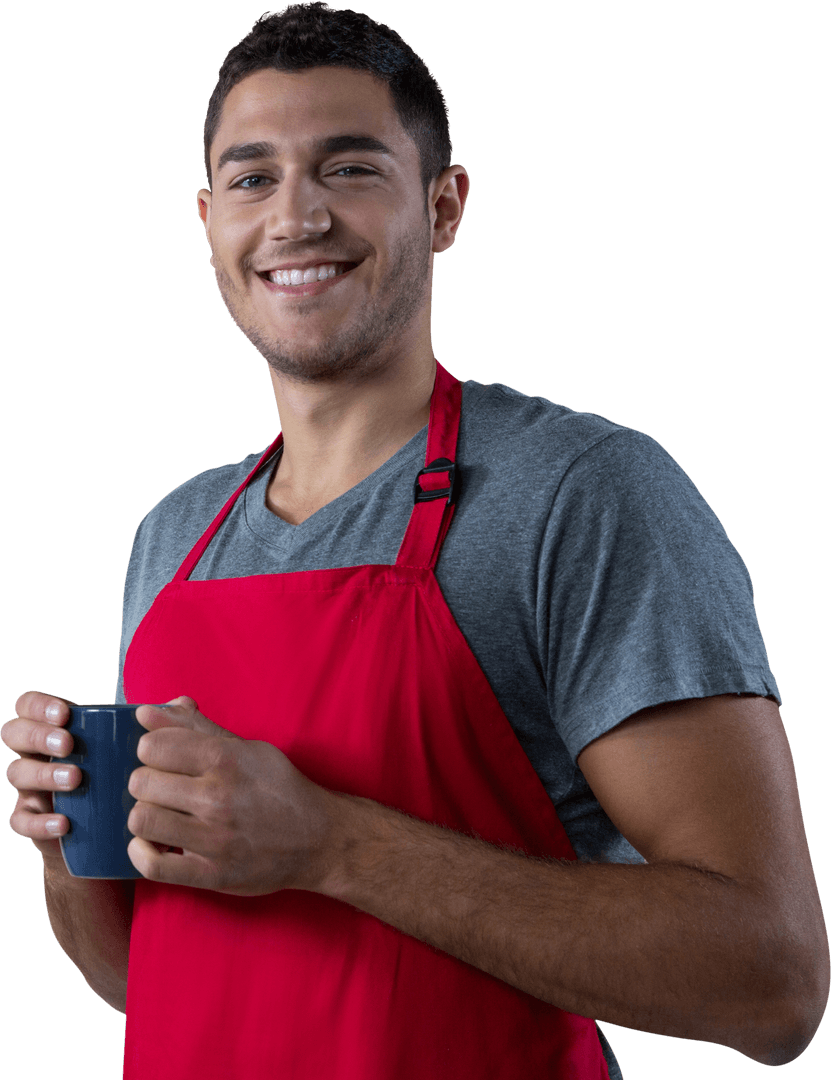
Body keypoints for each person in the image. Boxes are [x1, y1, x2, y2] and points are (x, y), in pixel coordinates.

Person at [4, 3, 828, 1077]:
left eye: (347, 169)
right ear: (209, 223)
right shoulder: (174, 537)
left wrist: (332, 844)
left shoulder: (579, 493)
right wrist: (68, 849)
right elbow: (158, 977)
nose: (295, 216)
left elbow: (771, 983)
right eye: (253, 179)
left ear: (444, 208)